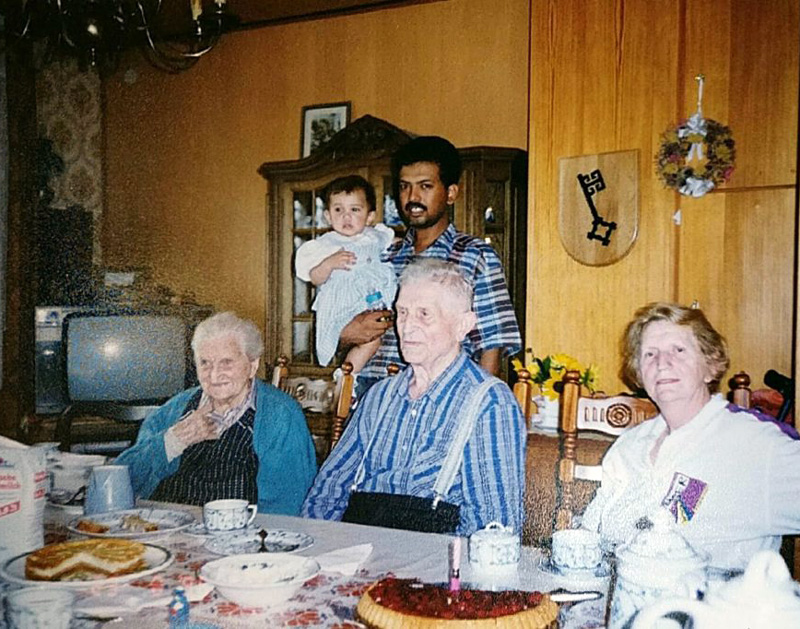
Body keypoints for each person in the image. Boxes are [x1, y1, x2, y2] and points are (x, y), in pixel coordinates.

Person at [302, 259, 526, 536]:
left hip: (436, 567)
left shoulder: (489, 404)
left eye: (424, 315)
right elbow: (327, 492)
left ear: (462, 325)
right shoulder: (379, 397)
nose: (407, 328)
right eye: (403, 313)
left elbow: (495, 528)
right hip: (360, 552)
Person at [581, 302, 800, 570]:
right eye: (649, 354)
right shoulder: (628, 446)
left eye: (679, 350)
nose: (662, 363)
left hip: (720, 607)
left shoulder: (755, 445)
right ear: (639, 372)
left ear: (710, 366)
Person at [339, 136, 521, 389]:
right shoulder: (382, 257)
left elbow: (492, 346)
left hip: (438, 399)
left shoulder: (474, 256)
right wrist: (347, 333)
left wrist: (470, 409)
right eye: (404, 187)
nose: (412, 197)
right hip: (373, 398)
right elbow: (343, 321)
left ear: (450, 193)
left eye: (425, 186)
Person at [115, 311, 317, 515]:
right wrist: (173, 440)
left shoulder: (279, 415)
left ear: (252, 365)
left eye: (227, 363)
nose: (214, 375)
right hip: (163, 528)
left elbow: (285, 508)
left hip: (237, 537)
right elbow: (120, 482)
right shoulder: (176, 408)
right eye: (205, 363)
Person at [294, 175, 397, 372]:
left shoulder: (375, 236)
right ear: (328, 216)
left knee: (373, 341)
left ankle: (349, 375)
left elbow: (396, 244)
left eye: (355, 210)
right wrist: (329, 263)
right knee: (361, 338)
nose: (346, 217)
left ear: (369, 217)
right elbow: (315, 278)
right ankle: (346, 377)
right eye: (338, 210)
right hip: (343, 303)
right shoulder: (325, 244)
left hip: (372, 299)